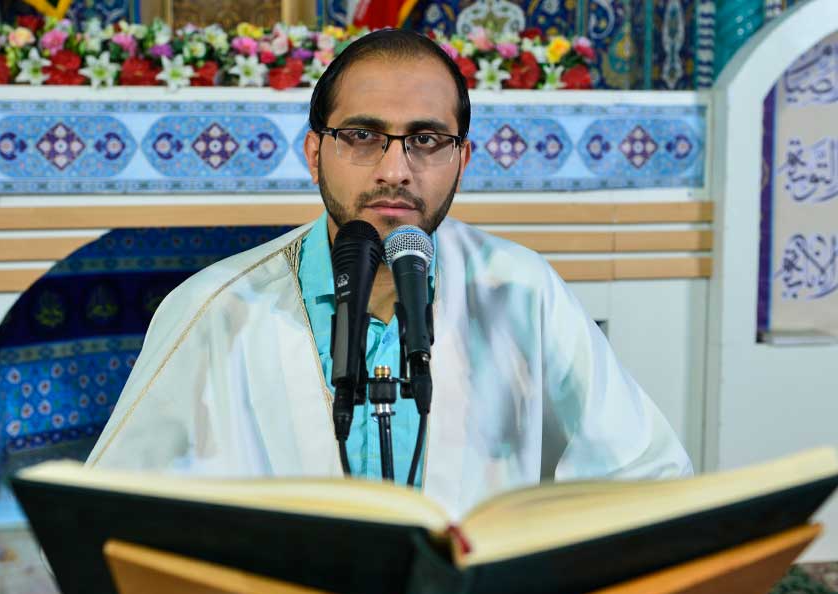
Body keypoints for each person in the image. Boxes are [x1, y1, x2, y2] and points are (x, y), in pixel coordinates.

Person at [86, 28, 692, 519]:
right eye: (362, 135)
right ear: (314, 153)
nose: (395, 169)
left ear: (462, 160)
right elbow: (108, 517)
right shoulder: (218, 308)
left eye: (426, 139)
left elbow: (646, 477)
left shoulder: (522, 290)